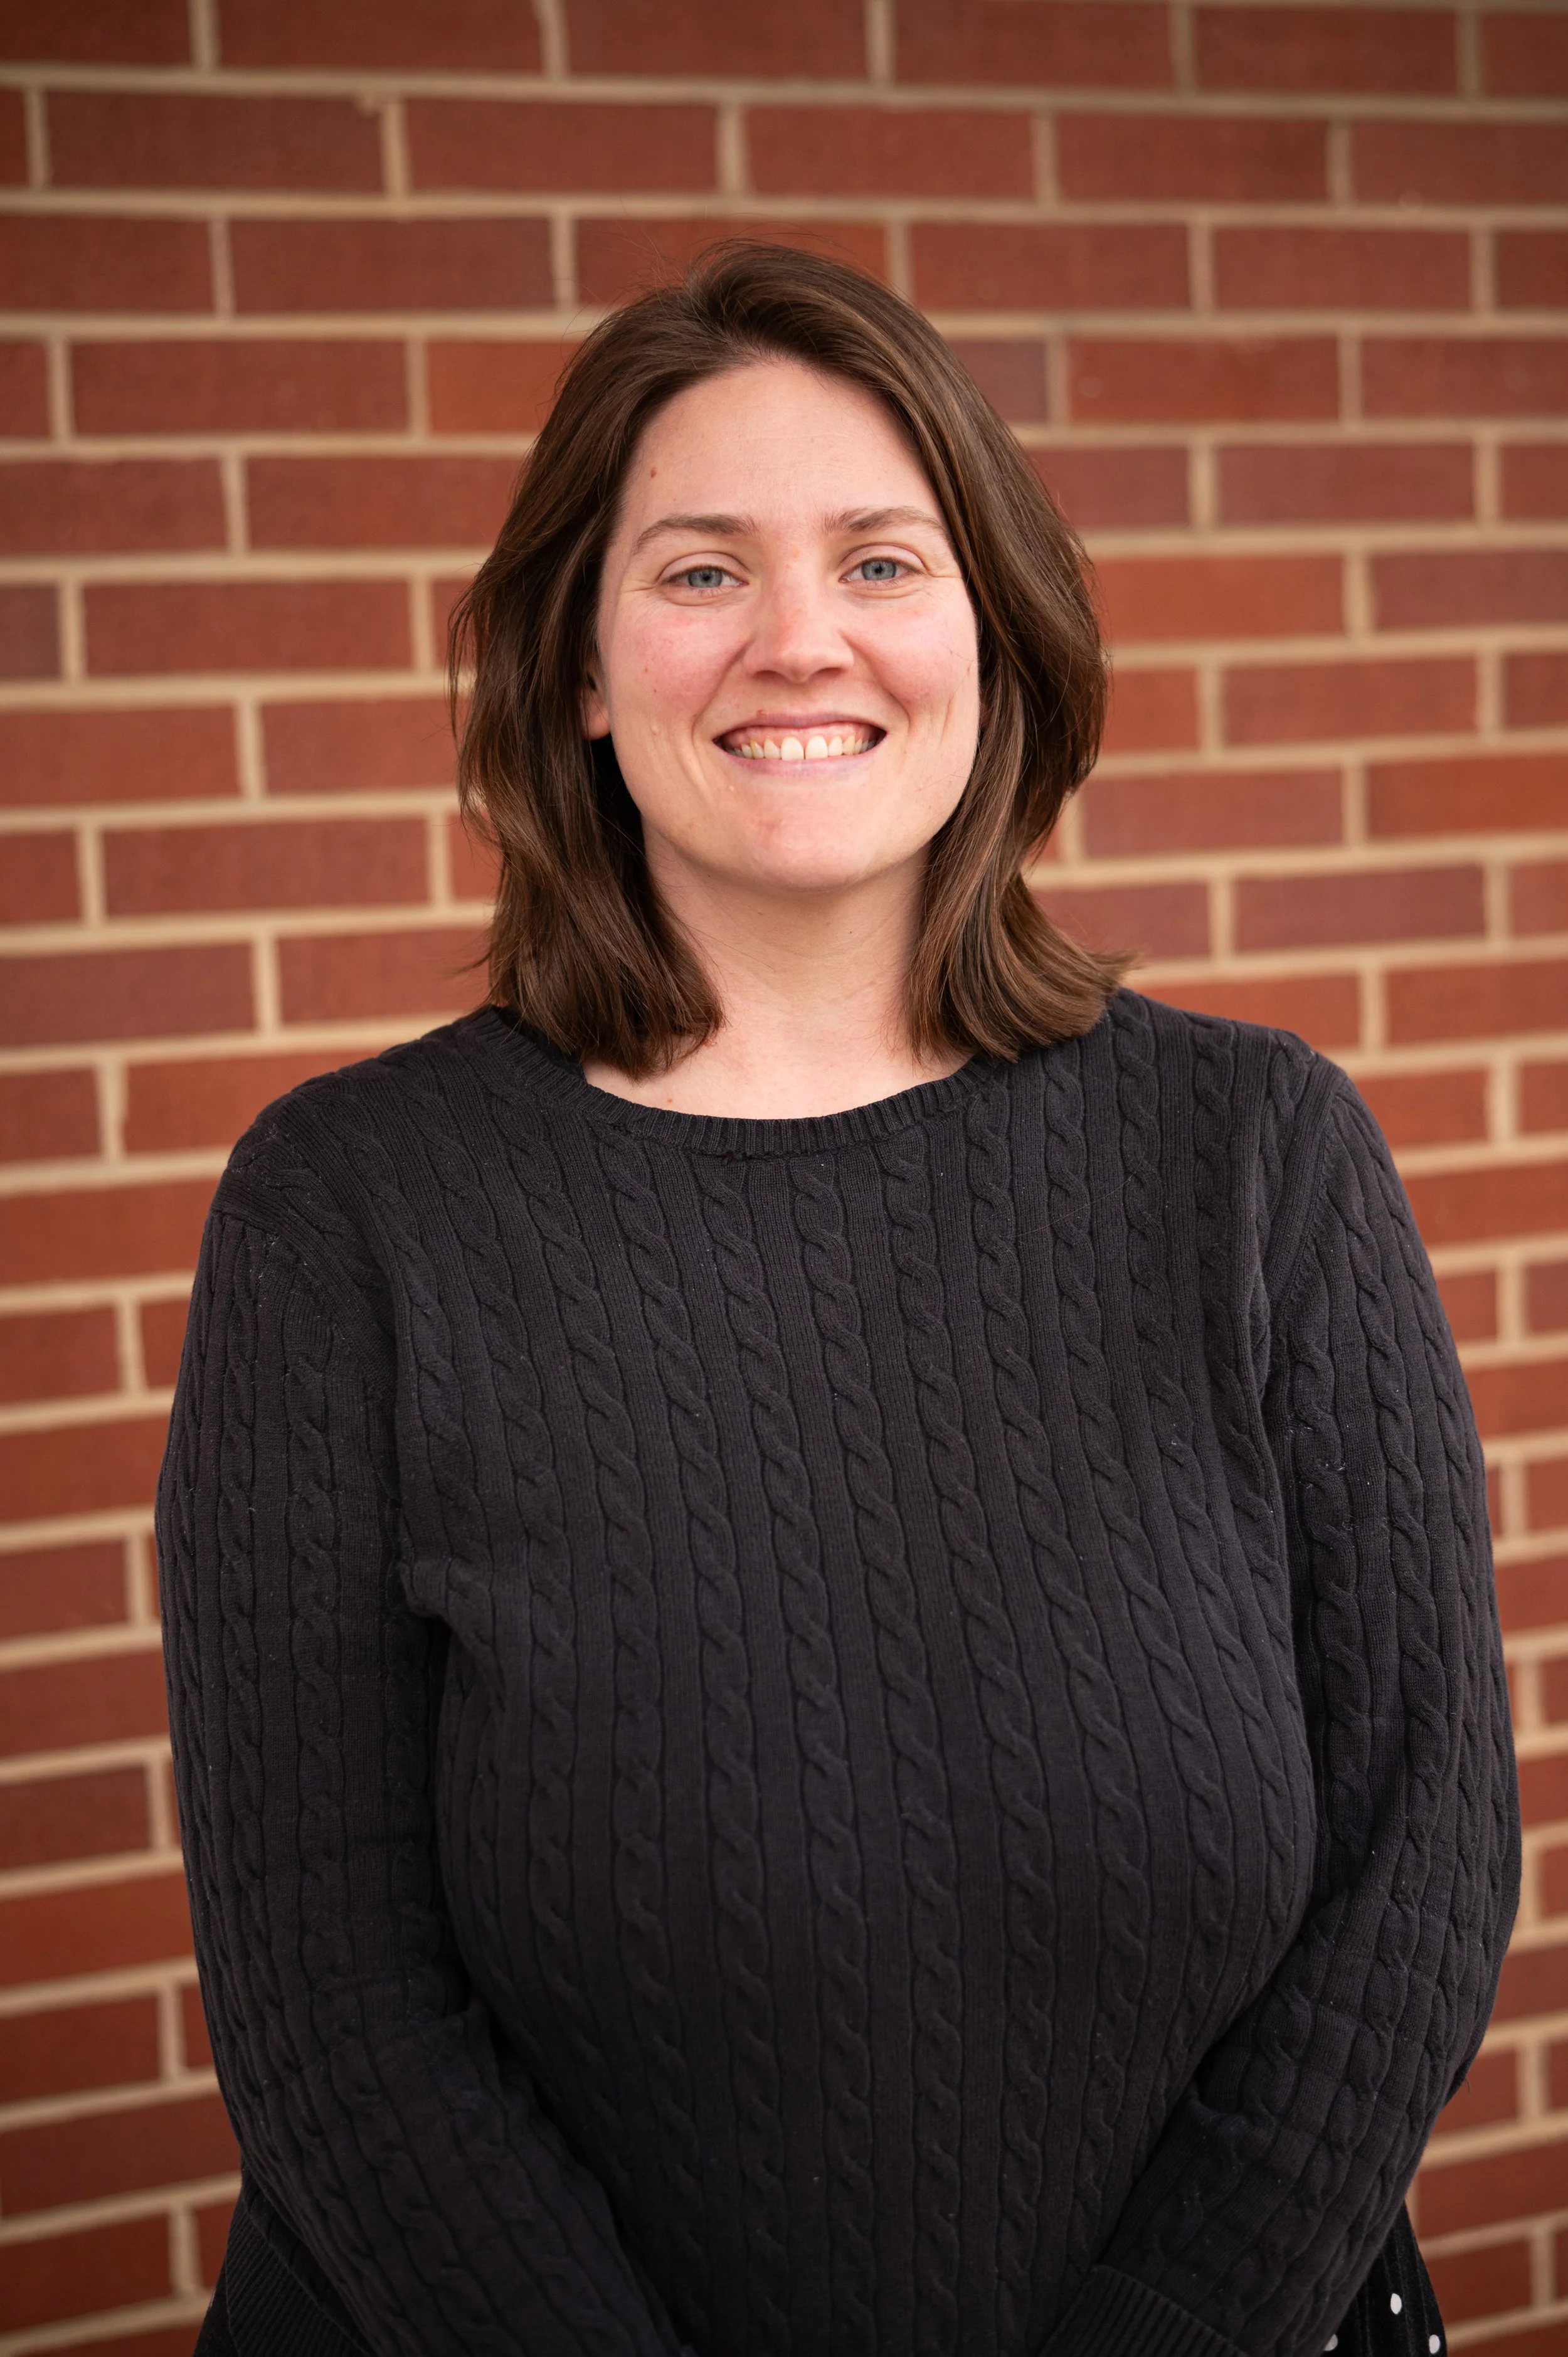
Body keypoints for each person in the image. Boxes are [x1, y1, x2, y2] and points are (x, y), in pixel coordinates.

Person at [161, 242, 1518, 2357]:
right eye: (700, 572)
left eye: (882, 558)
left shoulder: (1256, 1160)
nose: (800, 637)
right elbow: (333, 2012)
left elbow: (1419, 1871)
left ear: (990, 633)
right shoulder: (347, 1213)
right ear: (581, 671)